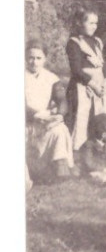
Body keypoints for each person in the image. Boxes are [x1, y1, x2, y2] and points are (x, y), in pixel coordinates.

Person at [25, 39, 74, 180]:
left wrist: (59, 115)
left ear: (44, 59)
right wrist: (36, 115)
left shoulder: (51, 78)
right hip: (26, 121)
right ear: (25, 58)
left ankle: (60, 169)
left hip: (44, 121)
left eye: (38, 58)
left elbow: (62, 100)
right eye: (31, 58)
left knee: (60, 129)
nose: (34, 62)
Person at [66, 8, 106, 151]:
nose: (94, 26)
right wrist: (93, 84)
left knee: (100, 118)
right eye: (90, 23)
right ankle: (79, 151)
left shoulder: (97, 42)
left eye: (96, 23)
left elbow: (104, 64)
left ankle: (101, 151)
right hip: (83, 86)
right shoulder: (74, 43)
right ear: (79, 23)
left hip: (100, 86)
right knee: (83, 119)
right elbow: (76, 70)